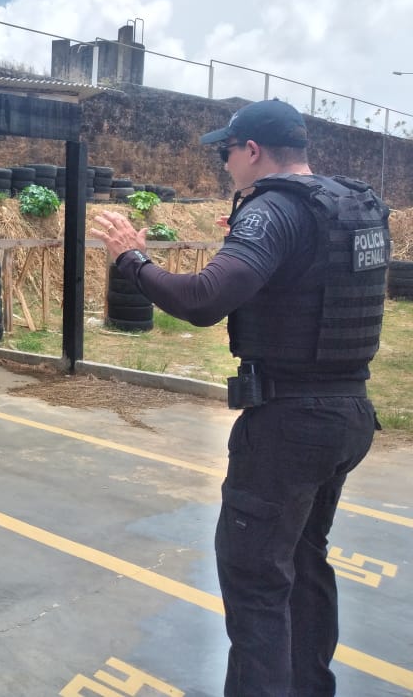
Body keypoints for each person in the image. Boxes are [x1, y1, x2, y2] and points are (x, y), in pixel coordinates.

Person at [91, 98, 390, 697]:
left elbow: (202, 299)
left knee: (256, 586)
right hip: (347, 414)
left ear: (252, 150)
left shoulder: (275, 209)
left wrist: (131, 259)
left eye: (226, 152)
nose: (225, 165)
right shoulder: (346, 206)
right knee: (305, 565)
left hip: (288, 425)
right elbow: (310, 284)